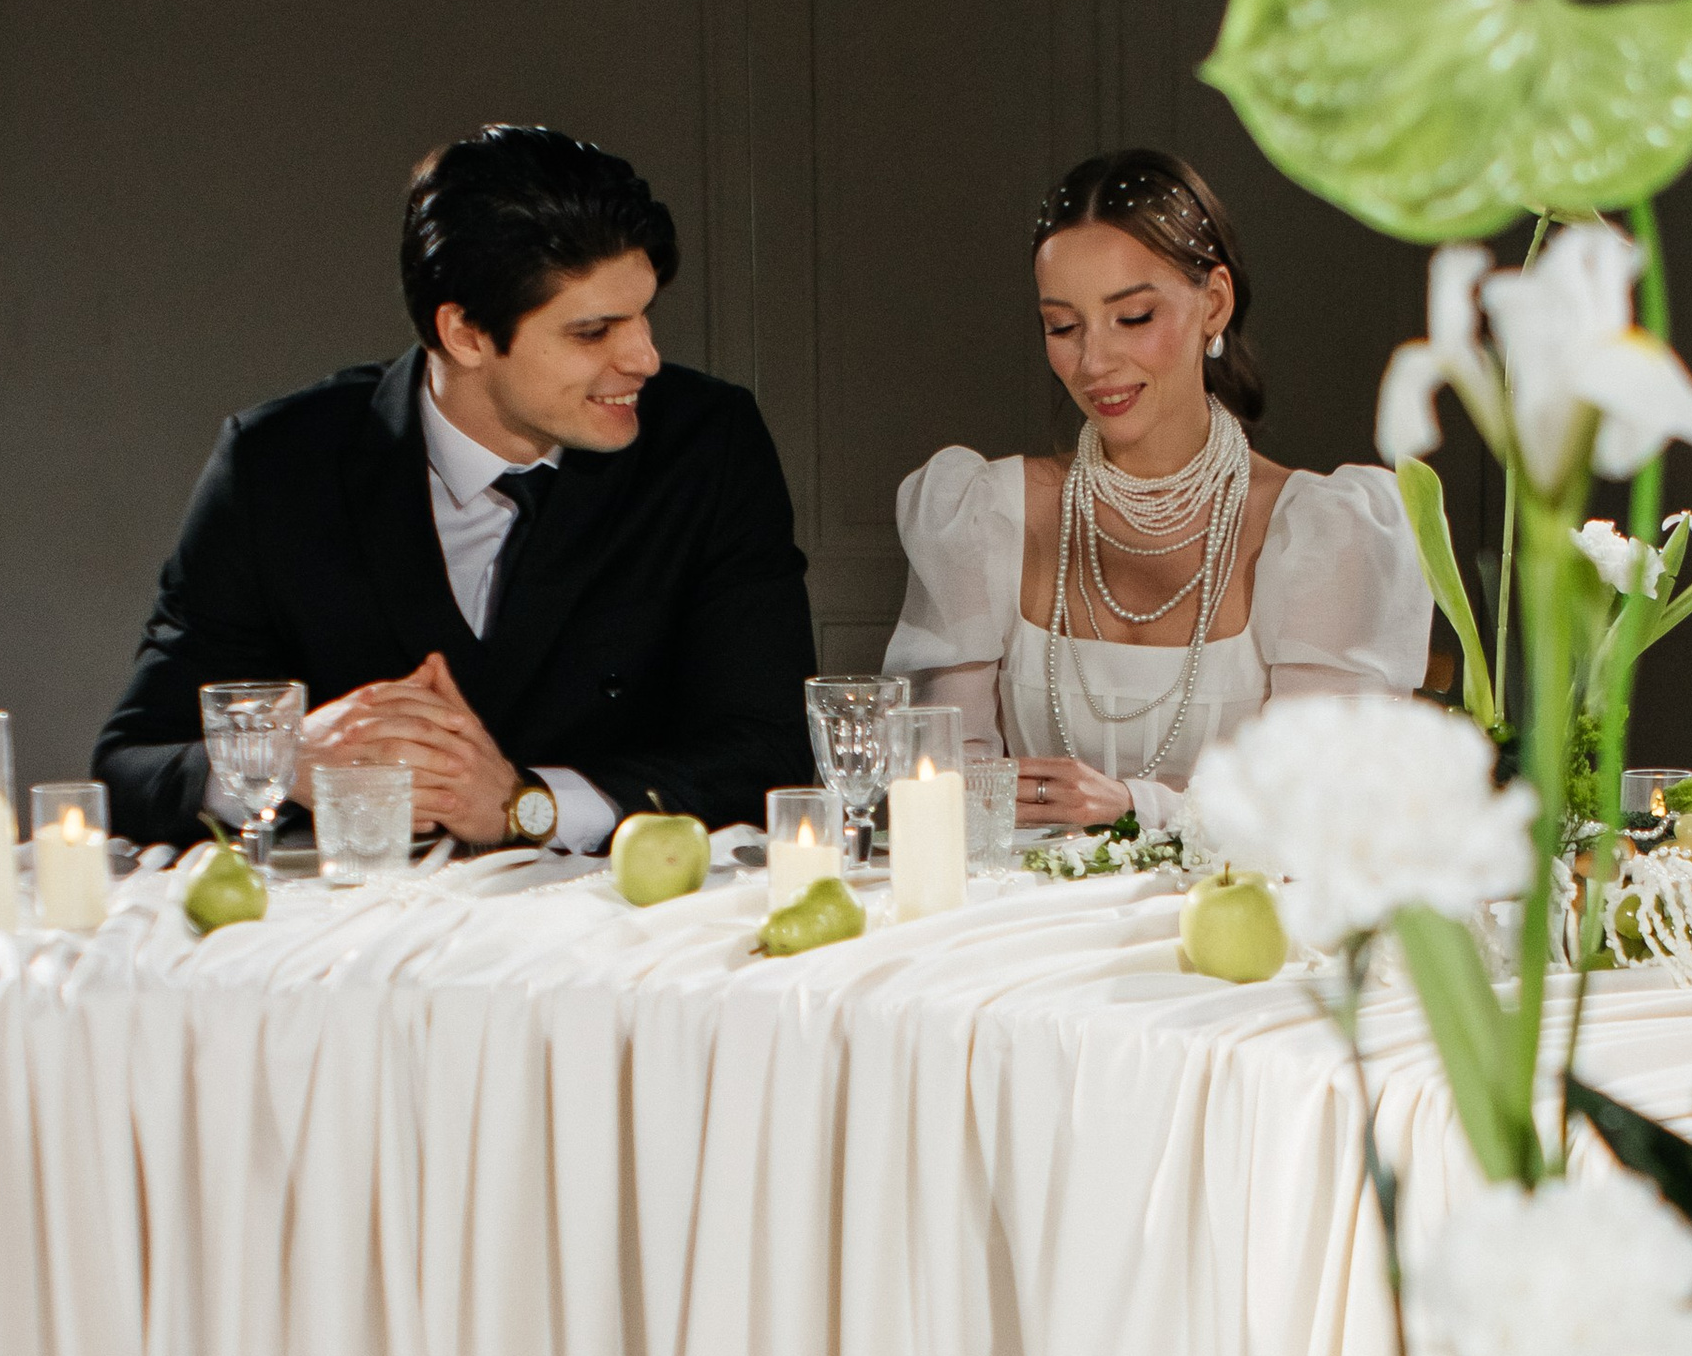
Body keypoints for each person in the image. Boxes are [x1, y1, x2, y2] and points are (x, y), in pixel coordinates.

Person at [95, 126, 816, 851]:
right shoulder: (278, 465)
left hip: (620, 930)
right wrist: (281, 762)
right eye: (593, 331)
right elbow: (128, 768)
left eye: (645, 314)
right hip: (353, 935)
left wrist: (527, 804)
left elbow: (773, 752)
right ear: (465, 333)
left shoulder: (708, 444)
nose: (646, 359)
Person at [887, 148, 1430, 831]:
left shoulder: (1325, 532)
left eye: (1134, 317)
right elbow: (943, 792)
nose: (1093, 362)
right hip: (1022, 921)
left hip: (1241, 927)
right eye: (1062, 326)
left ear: (1215, 303)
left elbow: (1321, 803)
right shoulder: (980, 516)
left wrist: (1134, 806)